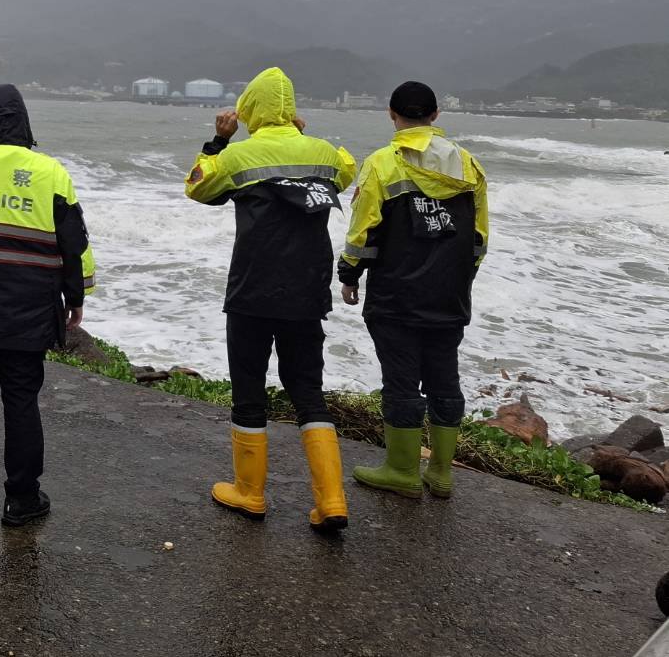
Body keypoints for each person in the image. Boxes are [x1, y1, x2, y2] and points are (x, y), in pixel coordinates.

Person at [184, 67, 355, 533]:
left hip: (253, 289)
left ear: (251, 110)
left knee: (249, 386)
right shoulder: (323, 153)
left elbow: (199, 186)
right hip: (308, 289)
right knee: (307, 390)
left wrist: (218, 141)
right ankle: (332, 500)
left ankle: (250, 493)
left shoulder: (241, 155)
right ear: (290, 109)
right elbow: (347, 170)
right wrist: (304, 136)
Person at [0, 84, 95, 528]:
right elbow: (73, 241)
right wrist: (76, 297)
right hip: (27, 308)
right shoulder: (51, 173)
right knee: (20, 399)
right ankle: (21, 499)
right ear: (25, 121)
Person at [338, 81, 489, 499]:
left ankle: (402, 471)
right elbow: (479, 239)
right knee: (444, 378)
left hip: (396, 296)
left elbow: (362, 233)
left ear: (391, 113)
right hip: (450, 296)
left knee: (401, 381)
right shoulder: (469, 165)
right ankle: (441, 473)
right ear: (436, 116)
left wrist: (349, 275)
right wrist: (459, 278)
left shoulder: (383, 164)